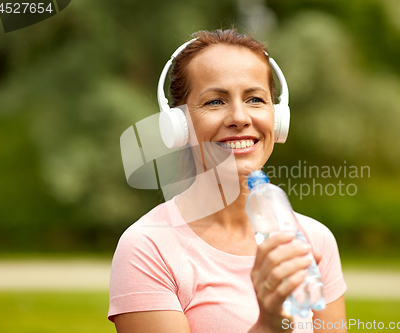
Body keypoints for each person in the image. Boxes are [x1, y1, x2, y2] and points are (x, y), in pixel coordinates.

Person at [108, 29, 347, 333]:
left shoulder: (315, 241)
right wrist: (270, 325)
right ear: (178, 125)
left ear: (277, 117)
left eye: (255, 99)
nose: (240, 117)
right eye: (215, 102)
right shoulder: (147, 247)